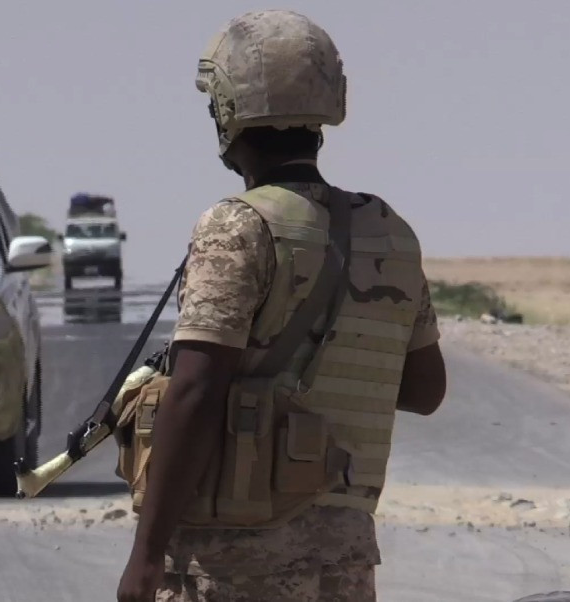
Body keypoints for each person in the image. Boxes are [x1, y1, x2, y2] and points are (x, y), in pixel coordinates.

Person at [116, 10, 448, 602]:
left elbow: (196, 391)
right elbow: (425, 390)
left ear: (227, 111)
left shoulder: (237, 226)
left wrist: (145, 555)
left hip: (233, 559)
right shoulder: (389, 231)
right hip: (343, 560)